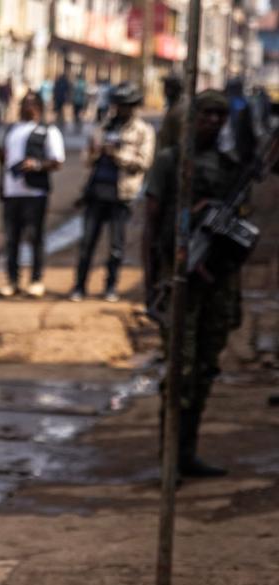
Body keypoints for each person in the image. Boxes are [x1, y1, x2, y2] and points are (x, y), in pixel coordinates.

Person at [142, 90, 241, 478]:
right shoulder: (171, 162)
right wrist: (152, 285)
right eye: (207, 114)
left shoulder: (229, 165)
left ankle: (187, 453)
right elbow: (151, 225)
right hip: (180, 279)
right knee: (179, 369)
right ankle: (169, 459)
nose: (213, 122)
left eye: (221, 115)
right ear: (192, 117)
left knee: (205, 369)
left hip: (218, 281)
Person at [72, 83, 154, 302]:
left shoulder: (143, 131)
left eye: (125, 106)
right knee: (87, 243)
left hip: (122, 194)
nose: (120, 110)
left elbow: (144, 162)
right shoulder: (103, 126)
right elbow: (86, 159)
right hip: (96, 192)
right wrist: (94, 152)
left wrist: (117, 155)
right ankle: (79, 286)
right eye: (118, 105)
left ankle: (110, 287)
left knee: (116, 247)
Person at [0, 91, 64, 297]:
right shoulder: (12, 130)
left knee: (35, 237)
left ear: (40, 107)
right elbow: (6, 161)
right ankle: (13, 281)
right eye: (25, 103)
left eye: (33, 103)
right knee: (11, 239)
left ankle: (36, 280)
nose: (29, 107)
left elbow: (57, 161)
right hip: (12, 192)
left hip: (35, 193)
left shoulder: (48, 131)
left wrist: (37, 164)